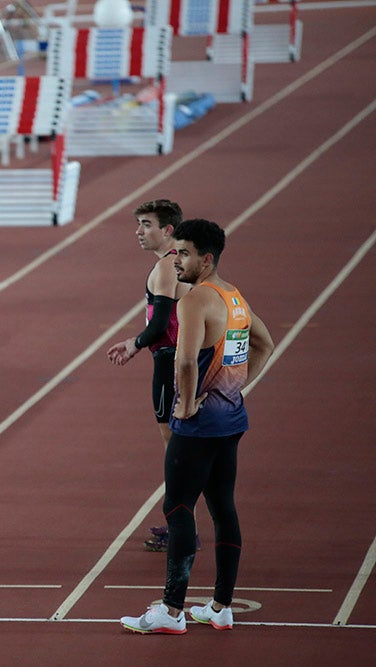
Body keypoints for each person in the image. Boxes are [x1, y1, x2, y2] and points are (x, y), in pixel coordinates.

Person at [121, 219, 274, 634]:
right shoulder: (234, 296)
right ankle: (222, 606)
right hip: (231, 419)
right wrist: (235, 388)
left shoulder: (195, 301)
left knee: (178, 507)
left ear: (205, 259)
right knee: (223, 509)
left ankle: (171, 613)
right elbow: (265, 344)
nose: (176, 261)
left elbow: (184, 361)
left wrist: (186, 407)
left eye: (183, 253)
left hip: (198, 425)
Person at [106, 199, 192, 552]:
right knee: (184, 446)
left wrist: (134, 343)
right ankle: (183, 524)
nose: (138, 232)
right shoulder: (183, 262)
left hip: (169, 361)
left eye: (146, 224)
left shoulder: (165, 268)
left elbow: (159, 325)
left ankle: (182, 528)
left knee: (175, 448)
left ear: (167, 230)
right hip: (184, 357)